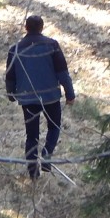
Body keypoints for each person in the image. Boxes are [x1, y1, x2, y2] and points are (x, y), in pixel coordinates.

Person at [5, 14, 75, 180]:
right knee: (54, 126)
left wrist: (11, 93)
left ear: (26, 28)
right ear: (42, 27)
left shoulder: (15, 49)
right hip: (50, 96)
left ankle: (32, 172)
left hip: (28, 98)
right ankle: (46, 154)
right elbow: (62, 73)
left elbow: (10, 75)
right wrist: (70, 94)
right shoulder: (52, 45)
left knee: (31, 135)